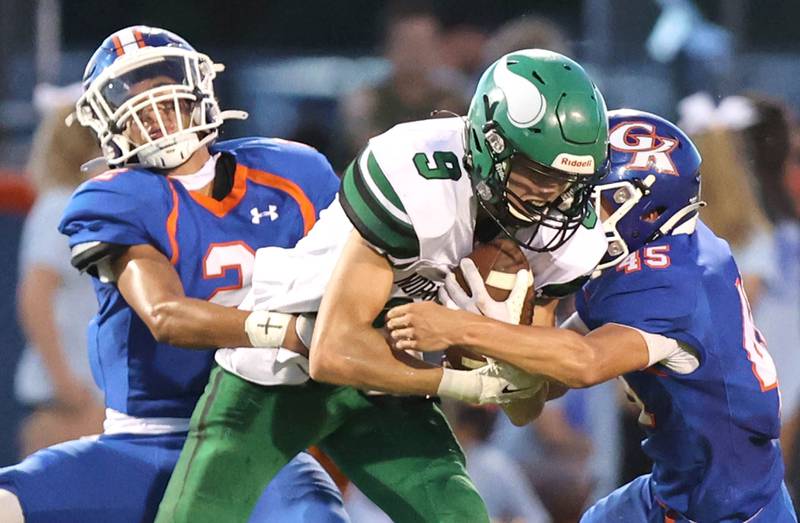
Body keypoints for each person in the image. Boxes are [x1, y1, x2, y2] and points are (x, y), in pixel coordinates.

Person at [155, 48, 610, 523]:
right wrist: (464, 380)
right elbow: (333, 350)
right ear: (488, 145)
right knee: (194, 516)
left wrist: (499, 351)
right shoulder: (417, 174)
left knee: (458, 515)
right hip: (284, 364)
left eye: (566, 180)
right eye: (537, 173)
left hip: (390, 380)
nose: (552, 195)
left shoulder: (570, 233)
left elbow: (526, 407)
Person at [0, 26, 348, 523]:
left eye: (166, 99)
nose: (157, 117)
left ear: (199, 93)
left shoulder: (293, 172)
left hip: (257, 441)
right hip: (142, 442)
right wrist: (294, 332)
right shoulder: (114, 197)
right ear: (110, 126)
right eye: (138, 108)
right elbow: (165, 316)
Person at [386, 109, 798, 522]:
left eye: (590, 196)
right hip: (680, 486)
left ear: (648, 211)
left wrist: (466, 327)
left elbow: (585, 363)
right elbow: (560, 372)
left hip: (731, 510)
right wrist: (507, 351)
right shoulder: (650, 254)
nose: (572, 207)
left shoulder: (674, 283)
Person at [14, 100, 104, 458]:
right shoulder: (62, 207)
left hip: (86, 394)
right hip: (71, 401)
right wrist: (64, 381)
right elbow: (34, 295)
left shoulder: (78, 206)